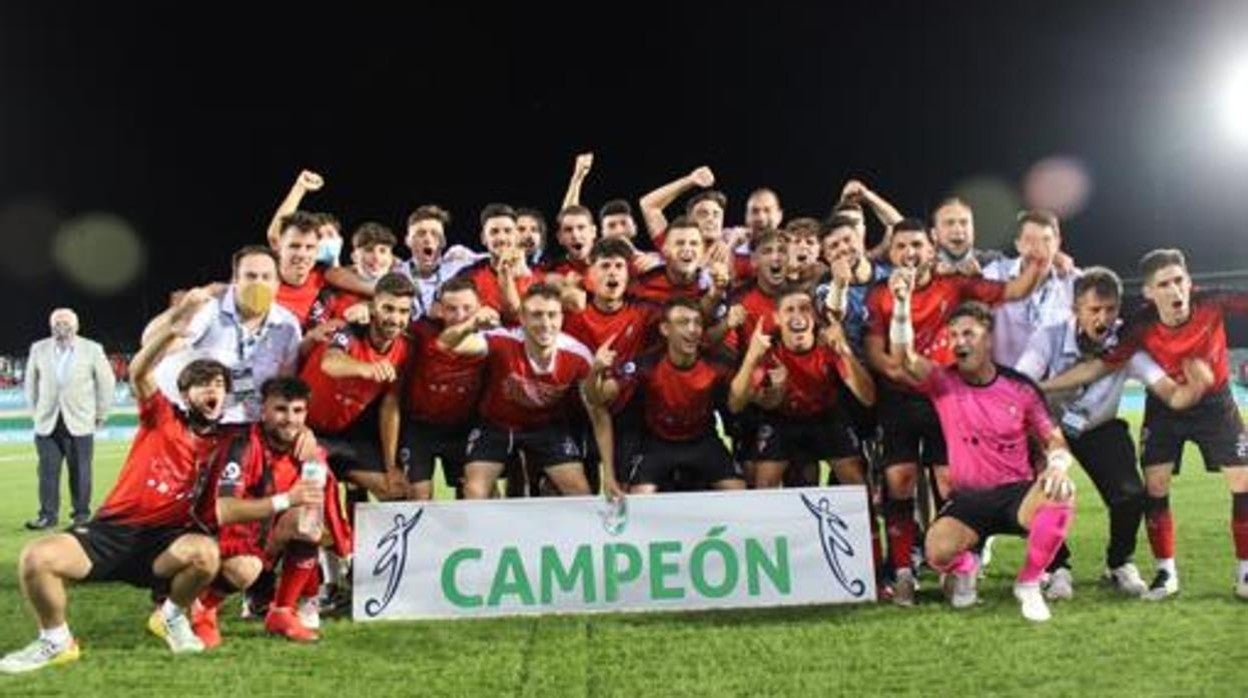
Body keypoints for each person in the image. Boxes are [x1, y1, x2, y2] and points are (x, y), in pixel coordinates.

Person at [0, 290, 230, 673]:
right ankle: (56, 641)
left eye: (220, 385)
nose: (213, 391)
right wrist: (170, 330)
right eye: (203, 384)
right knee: (36, 559)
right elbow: (140, 371)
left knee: (206, 554)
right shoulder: (163, 416)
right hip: (112, 532)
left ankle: (171, 617)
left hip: (165, 541)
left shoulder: (227, 441)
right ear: (185, 394)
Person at [1041, 249, 1248, 600]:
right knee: (1154, 486)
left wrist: (1198, 385)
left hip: (1215, 403)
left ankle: (1245, 572)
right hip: (1166, 407)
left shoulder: (1213, 301)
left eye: (1179, 281)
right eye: (1164, 284)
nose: (1175, 290)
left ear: (1190, 282)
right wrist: (1041, 386)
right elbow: (1097, 367)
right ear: (1150, 293)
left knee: (1243, 480)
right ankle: (1165, 572)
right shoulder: (1139, 326)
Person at [863, 218, 1050, 606]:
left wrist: (1040, 260)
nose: (910, 254)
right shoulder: (881, 294)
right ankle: (902, 571)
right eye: (901, 247)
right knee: (898, 482)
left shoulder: (955, 285)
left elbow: (1013, 290)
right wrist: (899, 369)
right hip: (899, 398)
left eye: (917, 245)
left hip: (946, 397)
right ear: (891, 253)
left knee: (951, 483)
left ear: (931, 248)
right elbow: (875, 349)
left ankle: (961, 566)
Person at [1015, 267, 1212, 597]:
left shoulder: (1128, 343)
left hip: (1098, 428)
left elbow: (1165, 390)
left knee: (1132, 494)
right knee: (1048, 492)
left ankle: (1119, 562)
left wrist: (1194, 389)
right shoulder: (1047, 336)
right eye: (1094, 309)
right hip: (1048, 431)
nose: (1102, 318)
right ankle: (1057, 566)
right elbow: (1020, 386)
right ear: (1075, 309)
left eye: (1110, 310)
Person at [892, 298, 1076, 623]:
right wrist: (904, 304)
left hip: (1016, 494)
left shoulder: (1020, 388)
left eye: (969, 334)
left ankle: (1029, 581)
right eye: (954, 336)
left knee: (1062, 491)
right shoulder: (943, 383)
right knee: (936, 552)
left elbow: (1053, 438)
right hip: (969, 500)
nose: (960, 342)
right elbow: (904, 357)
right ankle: (967, 565)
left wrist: (1058, 465)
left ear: (988, 338)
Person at [194, 377, 350, 646]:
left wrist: (341, 545)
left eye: (298, 411)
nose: (290, 419)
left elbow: (321, 511)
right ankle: (203, 609)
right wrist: (287, 499)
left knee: (309, 519)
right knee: (245, 568)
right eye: (280, 410)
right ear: (263, 410)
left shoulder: (307, 451)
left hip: (262, 535)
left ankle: (282, 611)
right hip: (217, 536)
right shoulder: (242, 443)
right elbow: (225, 511)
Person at [447, 283, 619, 499]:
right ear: (522, 318)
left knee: (580, 491)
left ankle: (563, 532)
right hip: (497, 424)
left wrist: (610, 476)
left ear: (561, 318)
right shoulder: (502, 339)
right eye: (537, 315)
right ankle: (493, 529)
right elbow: (450, 345)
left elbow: (599, 415)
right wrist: (471, 324)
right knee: (474, 490)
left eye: (552, 315)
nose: (546, 323)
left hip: (546, 427)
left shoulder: (578, 355)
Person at [729, 287, 875, 489]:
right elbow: (735, 404)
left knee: (855, 479)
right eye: (789, 310)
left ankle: (867, 520)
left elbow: (868, 397)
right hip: (782, 418)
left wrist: (845, 351)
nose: (797, 316)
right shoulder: (767, 350)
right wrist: (751, 358)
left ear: (814, 316)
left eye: (805, 309)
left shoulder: (829, 346)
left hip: (826, 416)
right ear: (777, 318)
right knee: (764, 481)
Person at [597, 298, 746, 494]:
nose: (693, 329)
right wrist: (596, 372)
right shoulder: (647, 364)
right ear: (665, 329)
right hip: (658, 443)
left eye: (697, 323)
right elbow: (601, 397)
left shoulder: (717, 363)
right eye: (683, 322)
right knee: (638, 498)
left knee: (739, 491)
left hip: (702, 440)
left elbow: (737, 403)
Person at [151, 246, 302, 426]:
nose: (258, 284)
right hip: (201, 428)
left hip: (253, 432)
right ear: (235, 280)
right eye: (251, 276)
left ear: (277, 284)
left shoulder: (288, 325)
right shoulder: (209, 308)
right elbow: (157, 346)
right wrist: (181, 312)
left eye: (266, 277)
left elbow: (284, 387)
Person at [301, 273, 415, 500]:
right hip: (308, 432)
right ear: (373, 308)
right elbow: (330, 362)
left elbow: (389, 407)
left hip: (348, 436)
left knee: (397, 491)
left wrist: (390, 466)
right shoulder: (349, 331)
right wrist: (367, 368)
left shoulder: (404, 349)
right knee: (310, 509)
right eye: (388, 309)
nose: (395, 318)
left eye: (403, 311)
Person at [398, 277, 493, 500]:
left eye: (467, 308)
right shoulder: (421, 331)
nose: (459, 315)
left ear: (479, 306)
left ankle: (468, 536)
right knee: (417, 496)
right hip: (419, 426)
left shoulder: (490, 334)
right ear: (439, 309)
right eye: (451, 309)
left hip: (463, 426)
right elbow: (442, 343)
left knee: (474, 491)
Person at [23, 308, 116, 530]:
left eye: (65, 322)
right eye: (56, 323)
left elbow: (107, 382)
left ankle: (81, 515)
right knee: (46, 472)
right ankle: (47, 516)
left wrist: (101, 413)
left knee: (81, 471)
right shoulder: (38, 348)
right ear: (50, 325)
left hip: (80, 420)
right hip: (47, 422)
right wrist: (35, 412)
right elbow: (30, 383)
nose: (61, 327)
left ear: (76, 326)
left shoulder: (92, 349)